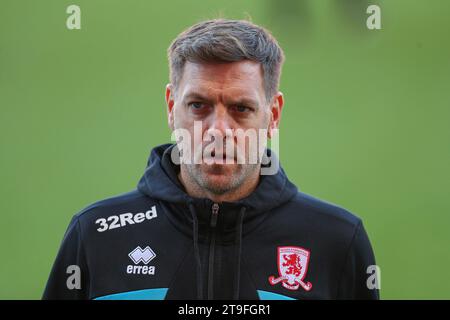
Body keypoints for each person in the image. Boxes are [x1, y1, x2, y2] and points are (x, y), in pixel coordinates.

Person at [43, 19, 379, 300]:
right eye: (198, 106)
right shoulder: (97, 235)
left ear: (273, 114)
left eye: (241, 109)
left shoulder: (337, 240)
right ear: (171, 107)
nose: (218, 130)